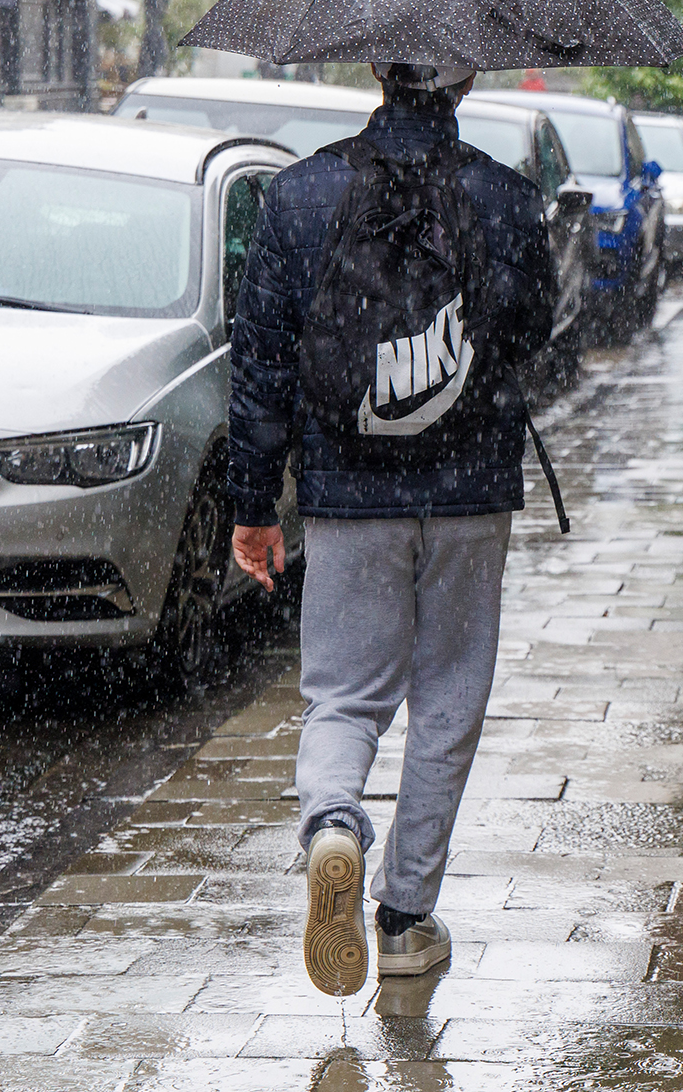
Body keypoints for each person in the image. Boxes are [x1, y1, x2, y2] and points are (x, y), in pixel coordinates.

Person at [227, 62, 557, 996]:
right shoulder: (504, 196)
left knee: (342, 694)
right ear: (465, 78)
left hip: (348, 489)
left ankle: (334, 823)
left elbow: (260, 366)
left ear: (377, 69)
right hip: (469, 490)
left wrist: (254, 504)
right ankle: (407, 916)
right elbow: (537, 331)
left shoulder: (298, 196)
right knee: (448, 697)